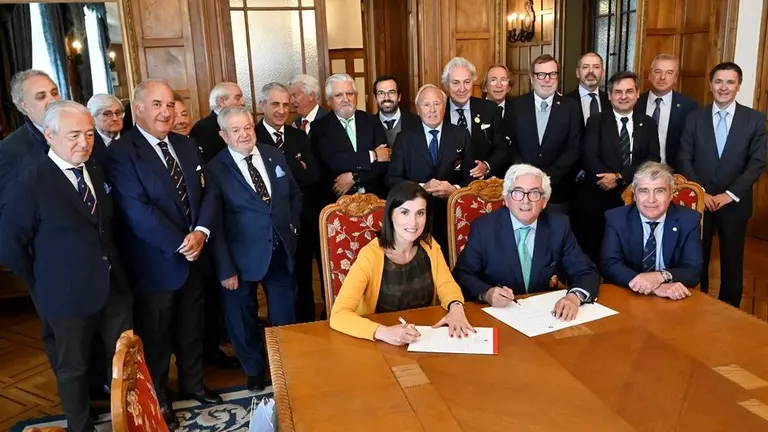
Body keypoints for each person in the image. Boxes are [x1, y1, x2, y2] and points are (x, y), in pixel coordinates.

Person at [0, 101, 132, 432]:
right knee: (72, 367)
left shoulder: (96, 169)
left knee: (122, 359)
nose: (84, 142)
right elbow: (10, 246)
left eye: (89, 134)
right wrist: (41, 279)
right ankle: (80, 425)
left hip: (112, 286)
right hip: (65, 295)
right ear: (49, 135)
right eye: (74, 135)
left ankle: (127, 417)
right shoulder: (29, 184)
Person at [103, 79, 221, 428]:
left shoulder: (187, 145)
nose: (165, 111)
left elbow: (209, 192)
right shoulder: (121, 153)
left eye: (169, 104)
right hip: (154, 263)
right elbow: (136, 210)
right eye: (156, 104)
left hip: (195, 257)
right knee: (155, 336)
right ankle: (159, 397)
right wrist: (180, 243)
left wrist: (201, 232)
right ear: (137, 108)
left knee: (191, 327)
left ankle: (193, 383)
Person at [208, 105, 302, 391]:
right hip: (240, 259)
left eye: (247, 127)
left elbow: (294, 194)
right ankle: (253, 369)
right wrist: (225, 268)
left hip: (279, 250)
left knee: (285, 315)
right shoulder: (215, 169)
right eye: (235, 130)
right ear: (224, 135)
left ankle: (285, 365)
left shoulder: (272, 154)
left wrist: (293, 230)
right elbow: (215, 223)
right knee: (241, 316)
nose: (244, 134)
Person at [329, 181, 474, 344]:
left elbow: (446, 284)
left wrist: (456, 308)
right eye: (405, 212)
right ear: (391, 215)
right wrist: (383, 332)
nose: (413, 223)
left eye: (420, 213)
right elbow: (339, 315)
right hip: (380, 341)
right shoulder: (370, 256)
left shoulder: (429, 244)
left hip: (423, 337)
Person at [453, 164, 599, 321]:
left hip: (546, 318)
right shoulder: (484, 228)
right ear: (506, 199)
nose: (525, 201)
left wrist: (574, 297)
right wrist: (486, 293)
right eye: (517, 192)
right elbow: (462, 274)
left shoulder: (559, 225)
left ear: (544, 201)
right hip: (499, 317)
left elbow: (586, 271)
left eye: (534, 193)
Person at [678, 62, 766, 307]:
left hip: (734, 204)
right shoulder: (695, 117)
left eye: (729, 82)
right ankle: (698, 303)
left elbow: (756, 163)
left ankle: (730, 310)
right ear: (711, 84)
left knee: (732, 260)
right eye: (718, 81)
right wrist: (701, 193)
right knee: (697, 257)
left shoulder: (755, 120)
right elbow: (684, 157)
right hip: (700, 202)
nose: (723, 87)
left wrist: (730, 194)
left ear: (738, 86)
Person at [573, 71, 660, 265]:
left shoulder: (647, 123)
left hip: (636, 197)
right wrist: (608, 179)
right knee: (597, 253)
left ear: (638, 94)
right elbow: (589, 157)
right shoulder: (596, 121)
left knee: (630, 254)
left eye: (629, 91)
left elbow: (653, 159)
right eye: (618, 92)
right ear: (610, 95)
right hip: (599, 195)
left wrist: (620, 177)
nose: (623, 96)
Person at [255, 82, 321, 322]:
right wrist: (295, 163)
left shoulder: (298, 135)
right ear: (262, 105)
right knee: (277, 288)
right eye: (275, 104)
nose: (282, 110)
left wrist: (282, 164)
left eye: (286, 105)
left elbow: (313, 175)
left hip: (299, 220)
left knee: (304, 278)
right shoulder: (252, 136)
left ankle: (307, 330)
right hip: (268, 228)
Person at [385, 84, 473, 255]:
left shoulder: (461, 135)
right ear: (418, 109)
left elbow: (470, 176)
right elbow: (392, 179)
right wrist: (422, 187)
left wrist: (454, 190)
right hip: (415, 218)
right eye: (426, 105)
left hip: (451, 215)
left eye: (437, 104)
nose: (432, 110)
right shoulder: (404, 138)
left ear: (444, 107)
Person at [601, 161, 702, 300]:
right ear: (635, 195)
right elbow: (609, 265)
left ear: (671, 194)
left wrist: (660, 276)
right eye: (644, 191)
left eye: (659, 191)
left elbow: (694, 270)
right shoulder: (616, 219)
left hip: (673, 299)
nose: (651, 199)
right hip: (627, 295)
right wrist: (654, 287)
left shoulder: (689, 220)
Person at [506, 54, 582, 213]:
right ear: (532, 78)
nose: (547, 79)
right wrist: (526, 174)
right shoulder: (515, 106)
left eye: (552, 74)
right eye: (541, 75)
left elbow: (574, 148)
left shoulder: (571, 107)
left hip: (558, 192)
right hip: (521, 190)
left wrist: (547, 178)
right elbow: (509, 144)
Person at [312, 73, 390, 203]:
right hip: (337, 202)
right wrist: (373, 155)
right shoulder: (319, 127)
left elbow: (384, 161)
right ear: (329, 100)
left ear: (356, 96)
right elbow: (334, 162)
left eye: (350, 94)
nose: (345, 99)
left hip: (375, 199)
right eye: (338, 95)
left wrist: (355, 177)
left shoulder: (372, 121)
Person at [441, 57, 508, 177]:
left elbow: (502, 149)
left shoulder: (489, 109)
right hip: (448, 184)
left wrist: (487, 166)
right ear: (446, 85)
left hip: (483, 184)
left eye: (467, 82)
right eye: (456, 83)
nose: (462, 88)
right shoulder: (438, 111)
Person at [637, 54, 697, 170]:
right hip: (639, 172)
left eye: (669, 72)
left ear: (675, 78)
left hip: (675, 174)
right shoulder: (636, 103)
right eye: (658, 71)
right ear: (649, 75)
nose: (663, 77)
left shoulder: (689, 107)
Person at [190, 82, 245, 162]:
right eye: (237, 98)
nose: (242, 102)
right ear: (222, 102)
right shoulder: (204, 128)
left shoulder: (241, 122)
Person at [372, 75, 421, 146]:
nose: (386, 98)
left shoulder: (416, 122)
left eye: (391, 92)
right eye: (381, 93)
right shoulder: (368, 125)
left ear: (399, 97)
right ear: (376, 98)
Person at [564, 52, 610, 125]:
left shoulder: (610, 101)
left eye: (596, 67)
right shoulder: (565, 102)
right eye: (585, 67)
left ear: (602, 72)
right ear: (577, 73)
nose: (591, 71)